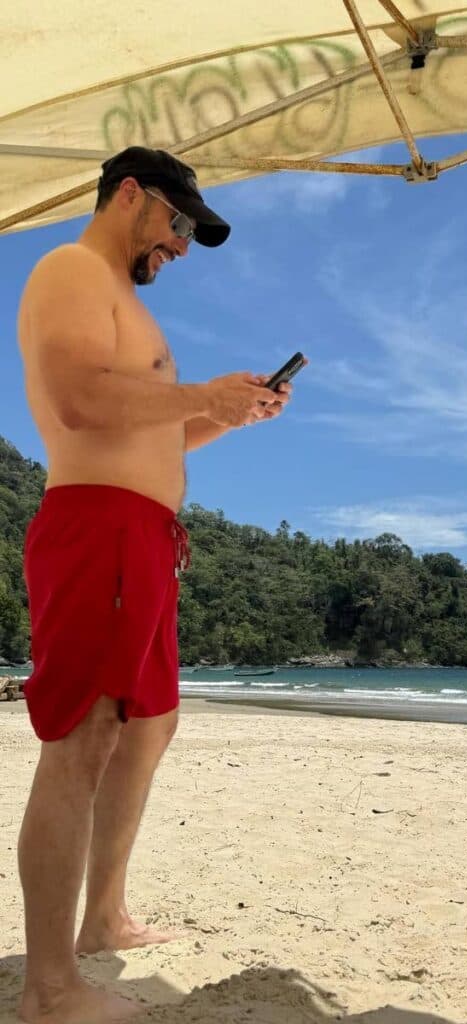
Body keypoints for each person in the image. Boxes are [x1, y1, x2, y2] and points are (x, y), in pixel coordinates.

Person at [15, 146, 297, 1024]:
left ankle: (103, 916)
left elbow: (153, 442)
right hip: (96, 525)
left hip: (146, 537)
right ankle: (48, 987)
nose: (179, 245)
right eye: (176, 222)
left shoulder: (129, 311)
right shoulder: (71, 268)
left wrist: (224, 413)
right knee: (83, 735)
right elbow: (76, 401)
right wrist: (200, 394)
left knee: (148, 730)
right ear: (128, 194)